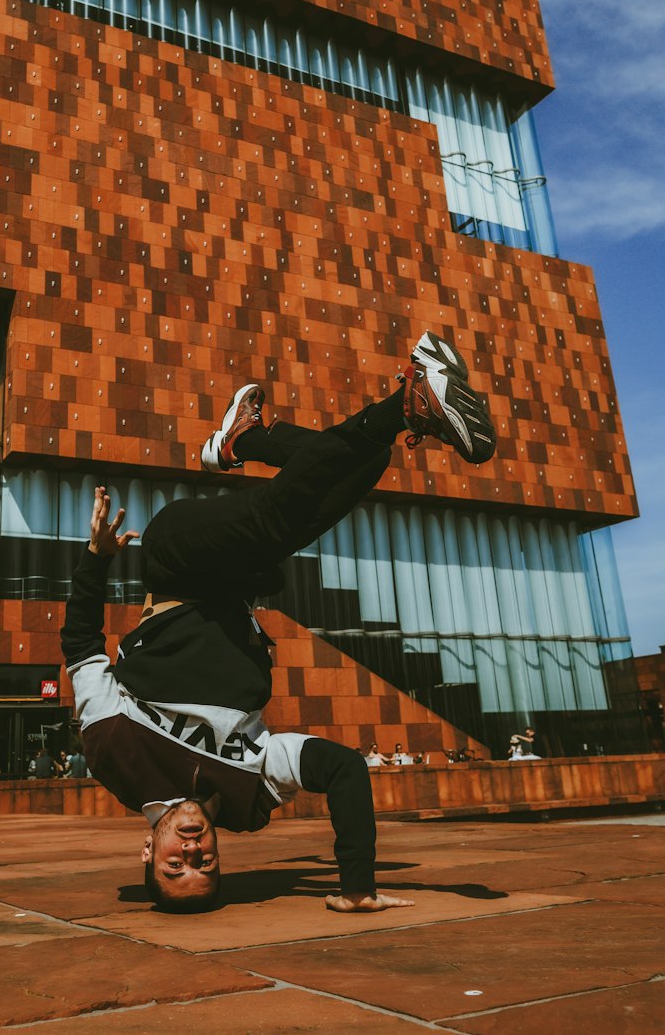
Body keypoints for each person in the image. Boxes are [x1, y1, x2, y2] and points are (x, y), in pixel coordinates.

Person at [62, 331, 495, 914]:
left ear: (148, 848)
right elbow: (342, 770)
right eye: (205, 865)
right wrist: (356, 885)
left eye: (175, 864)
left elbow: (82, 648)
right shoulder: (251, 796)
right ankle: (249, 440)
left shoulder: (113, 753)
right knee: (352, 476)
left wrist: (96, 559)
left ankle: (406, 404)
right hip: (243, 587)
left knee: (278, 517)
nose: (191, 850)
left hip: (177, 567)